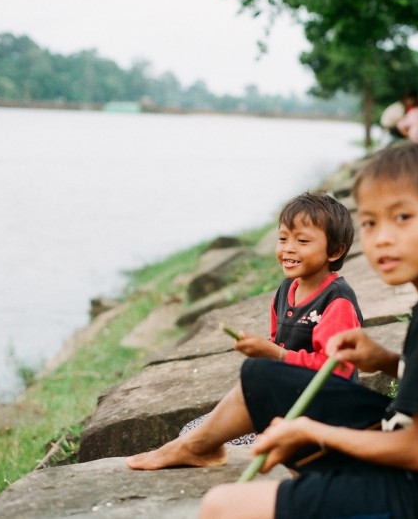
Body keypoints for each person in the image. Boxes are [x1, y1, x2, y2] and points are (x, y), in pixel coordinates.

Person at [198, 142, 418, 519]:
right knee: (266, 376)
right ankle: (201, 447)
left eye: (402, 218)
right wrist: (384, 360)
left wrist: (314, 431)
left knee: (221, 507)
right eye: (370, 222)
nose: (381, 237)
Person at [126, 191, 363, 467]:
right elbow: (278, 345)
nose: (288, 248)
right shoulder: (287, 289)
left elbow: (338, 371)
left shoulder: (336, 302)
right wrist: (263, 350)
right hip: (287, 399)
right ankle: (193, 446)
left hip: (320, 412)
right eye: (283, 238)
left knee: (223, 435)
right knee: (192, 430)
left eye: (302, 241)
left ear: (335, 250)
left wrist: (277, 356)